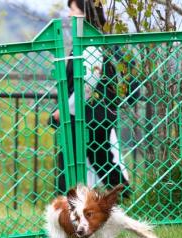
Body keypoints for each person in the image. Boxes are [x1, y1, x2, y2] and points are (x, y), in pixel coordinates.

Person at [51, 0, 131, 198]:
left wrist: (65, 109)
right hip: (94, 115)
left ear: (85, 14)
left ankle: (63, 207)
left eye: (73, 10)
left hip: (86, 116)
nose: (69, 15)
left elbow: (87, 85)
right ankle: (124, 196)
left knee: (69, 161)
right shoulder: (91, 41)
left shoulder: (91, 44)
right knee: (101, 159)